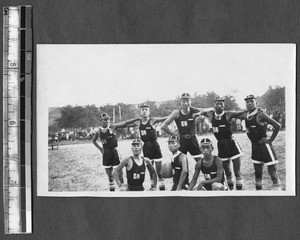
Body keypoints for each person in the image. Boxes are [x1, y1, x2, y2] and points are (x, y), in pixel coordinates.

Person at [193, 97, 247, 190]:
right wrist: (189, 108)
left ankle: (239, 193)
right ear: (214, 105)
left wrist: (254, 109)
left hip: (232, 144)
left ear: (224, 106)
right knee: (227, 171)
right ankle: (231, 190)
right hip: (221, 146)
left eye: (221, 104)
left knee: (237, 171)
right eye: (217, 104)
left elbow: (242, 113)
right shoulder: (211, 115)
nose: (219, 106)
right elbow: (199, 110)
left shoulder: (228, 114)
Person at [120, 103, 168, 190]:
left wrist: (175, 115)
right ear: (140, 112)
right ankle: (153, 187)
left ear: (149, 112)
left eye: (146, 110)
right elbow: (126, 123)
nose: (144, 111)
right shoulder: (138, 122)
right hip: (146, 148)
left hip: (155, 147)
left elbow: (164, 118)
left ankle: (162, 189)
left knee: (159, 172)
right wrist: (116, 125)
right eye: (142, 110)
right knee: (150, 171)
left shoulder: (152, 120)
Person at [242, 95, 281, 190]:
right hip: (255, 147)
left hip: (264, 146)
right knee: (258, 173)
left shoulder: (260, 114)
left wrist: (270, 140)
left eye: (252, 101)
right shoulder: (246, 115)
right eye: (247, 102)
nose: (250, 103)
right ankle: (258, 194)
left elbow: (277, 125)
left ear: (256, 103)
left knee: (273, 173)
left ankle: (278, 194)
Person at [92, 112, 140, 191]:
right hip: (106, 154)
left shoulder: (113, 127)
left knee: (119, 174)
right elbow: (93, 140)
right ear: (100, 120)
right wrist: (100, 149)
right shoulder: (98, 132)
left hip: (114, 152)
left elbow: (125, 123)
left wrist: (137, 118)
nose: (107, 121)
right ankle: (112, 192)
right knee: (110, 176)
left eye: (108, 119)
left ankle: (124, 190)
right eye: (105, 120)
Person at [161, 93, 212, 162]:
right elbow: (163, 126)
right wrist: (174, 134)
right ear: (180, 102)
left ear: (191, 102)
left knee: (200, 161)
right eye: (183, 101)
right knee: (179, 162)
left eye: (188, 101)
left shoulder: (194, 111)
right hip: (182, 140)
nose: (185, 103)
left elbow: (212, 109)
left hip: (192, 139)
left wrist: (198, 113)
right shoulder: (176, 113)